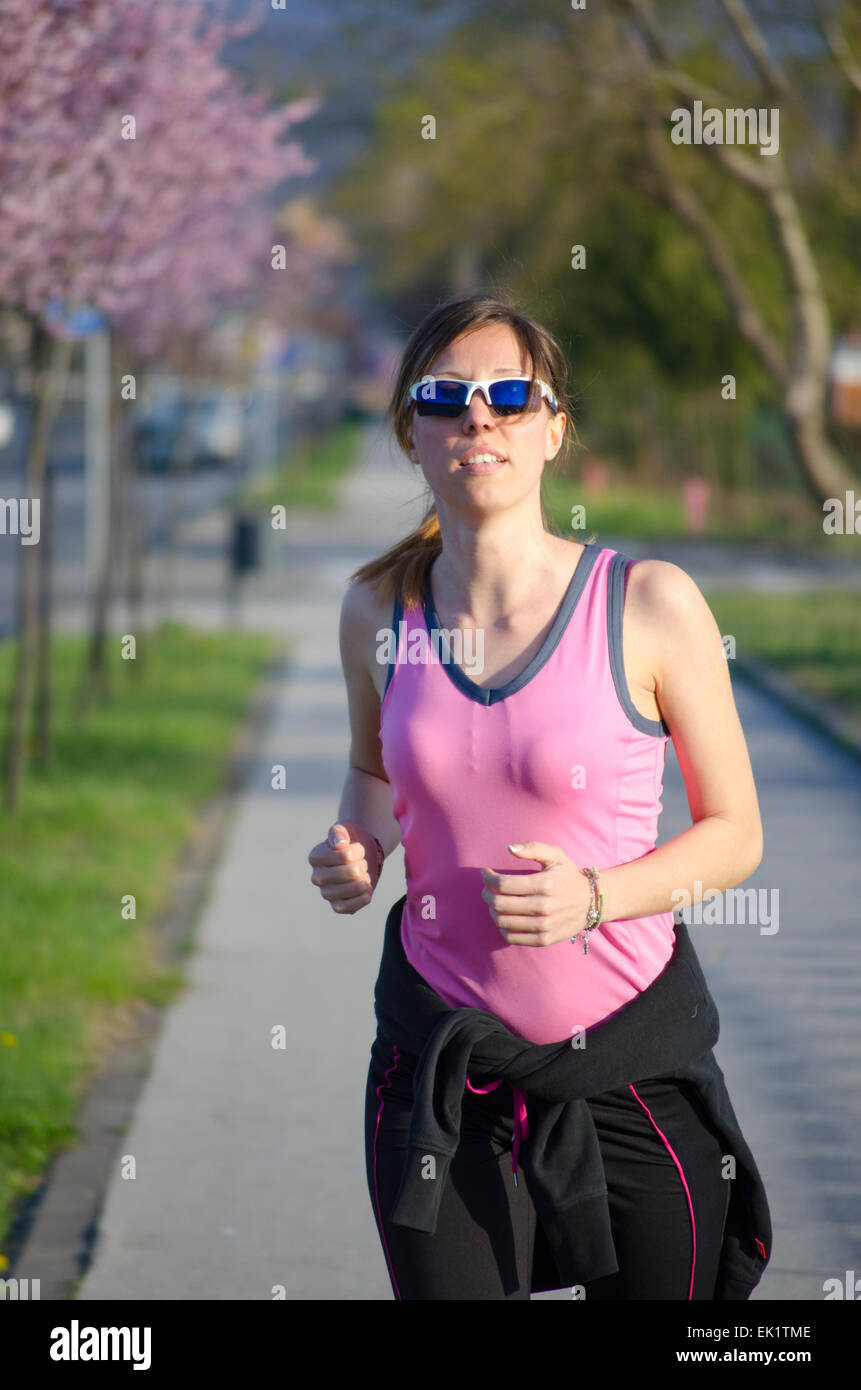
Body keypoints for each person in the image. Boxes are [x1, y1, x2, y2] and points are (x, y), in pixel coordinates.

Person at [307, 294, 768, 1301]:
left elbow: (736, 835)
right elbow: (375, 771)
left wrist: (597, 896)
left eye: (511, 396)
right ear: (411, 434)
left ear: (553, 429)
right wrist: (357, 845)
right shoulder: (376, 611)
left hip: (629, 1066)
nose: (479, 417)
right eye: (446, 398)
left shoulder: (649, 602)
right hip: (440, 1071)